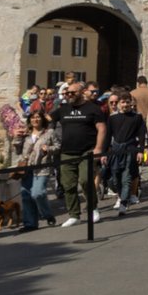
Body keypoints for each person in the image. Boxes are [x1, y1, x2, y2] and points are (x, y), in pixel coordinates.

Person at [50, 82, 107, 228]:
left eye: (72, 93)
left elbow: (101, 128)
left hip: (86, 150)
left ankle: (92, 208)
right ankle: (74, 214)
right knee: (68, 184)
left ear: (81, 92)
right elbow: (47, 119)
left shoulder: (93, 109)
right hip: (67, 152)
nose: (69, 95)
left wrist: (98, 148)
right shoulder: (63, 109)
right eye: (67, 93)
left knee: (85, 180)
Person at [17, 108, 59, 232]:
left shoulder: (50, 132)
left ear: (42, 119)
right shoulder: (26, 134)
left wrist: (49, 149)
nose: (35, 119)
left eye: (38, 117)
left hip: (42, 167)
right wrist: (16, 138)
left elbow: (58, 146)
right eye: (33, 117)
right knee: (26, 196)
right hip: (26, 167)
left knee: (38, 193)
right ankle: (30, 223)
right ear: (30, 120)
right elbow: (17, 150)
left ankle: (47, 215)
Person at [106, 93, 145, 215]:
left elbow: (142, 135)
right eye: (123, 102)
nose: (125, 105)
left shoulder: (137, 117)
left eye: (128, 102)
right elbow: (107, 136)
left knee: (127, 177)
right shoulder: (112, 118)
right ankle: (120, 196)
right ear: (118, 104)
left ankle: (123, 203)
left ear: (131, 103)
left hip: (130, 149)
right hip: (116, 150)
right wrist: (104, 153)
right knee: (116, 176)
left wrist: (140, 151)